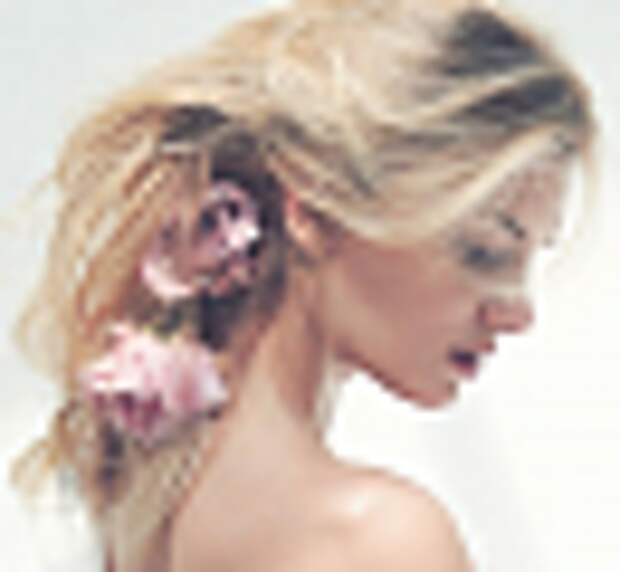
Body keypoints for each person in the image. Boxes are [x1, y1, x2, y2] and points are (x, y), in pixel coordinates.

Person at [9, 0, 597, 570]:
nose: (518, 313)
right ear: (312, 210)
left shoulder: (136, 505)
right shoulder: (379, 540)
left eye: (528, 259)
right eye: (484, 252)